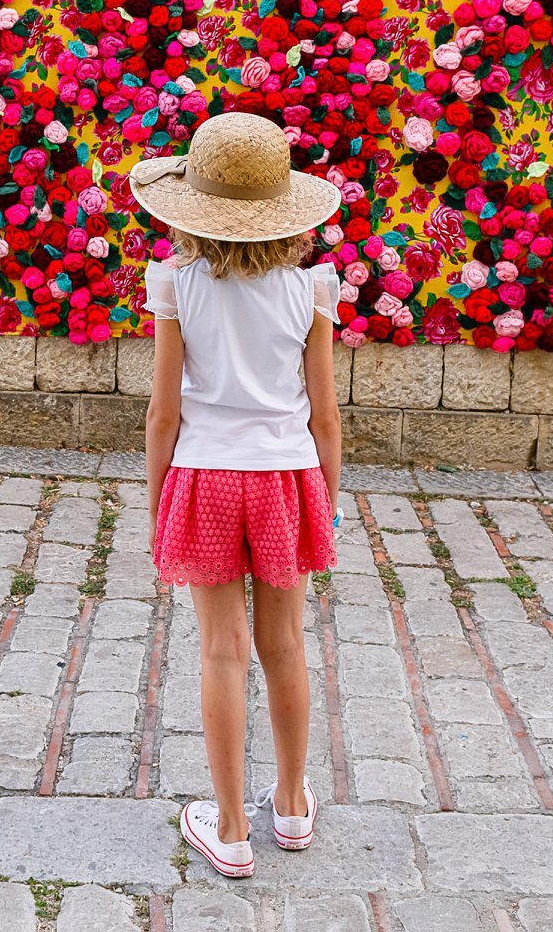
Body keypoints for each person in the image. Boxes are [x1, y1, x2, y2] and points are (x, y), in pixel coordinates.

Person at [129, 111, 343, 879]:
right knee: (285, 644)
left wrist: (161, 507)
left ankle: (229, 829)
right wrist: (332, 499)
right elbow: (324, 414)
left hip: (206, 474)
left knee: (221, 647)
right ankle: (289, 805)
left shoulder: (177, 285)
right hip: (287, 476)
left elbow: (163, 412)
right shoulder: (313, 288)